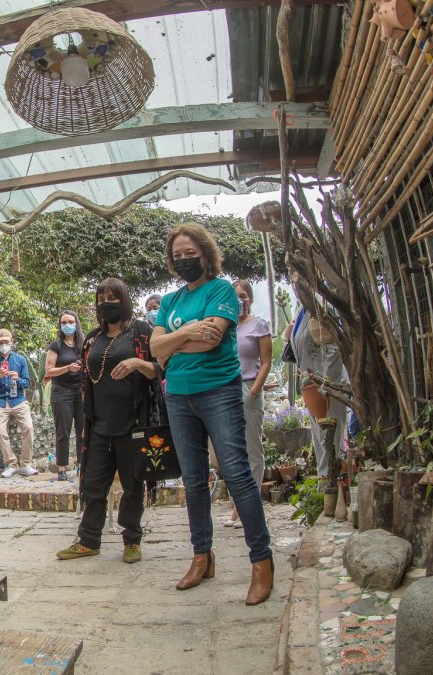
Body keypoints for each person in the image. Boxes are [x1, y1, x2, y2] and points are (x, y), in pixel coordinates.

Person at [150, 222, 273, 604]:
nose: (184, 260)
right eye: (178, 255)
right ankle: (202, 556)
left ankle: (262, 562)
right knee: (193, 479)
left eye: (191, 253)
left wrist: (174, 343)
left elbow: (212, 339)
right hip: (178, 397)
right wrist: (186, 333)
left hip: (218, 392)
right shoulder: (170, 301)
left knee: (237, 473)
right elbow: (155, 349)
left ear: (205, 253)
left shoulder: (221, 290)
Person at [57, 278, 158, 565]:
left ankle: (132, 540)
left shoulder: (141, 331)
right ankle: (89, 540)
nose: (106, 303)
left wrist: (139, 363)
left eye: (112, 297)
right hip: (99, 425)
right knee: (93, 485)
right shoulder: (91, 338)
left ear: (124, 300)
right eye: (101, 298)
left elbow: (161, 368)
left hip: (133, 425)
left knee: (133, 485)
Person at [223, 279, 272, 529]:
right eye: (235, 297)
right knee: (229, 452)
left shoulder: (258, 325)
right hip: (225, 391)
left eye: (243, 296)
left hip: (249, 387)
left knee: (252, 450)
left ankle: (248, 507)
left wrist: (254, 390)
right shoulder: (226, 326)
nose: (239, 300)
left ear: (249, 299)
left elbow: (265, 361)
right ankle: (237, 504)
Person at [285, 301, 348, 481]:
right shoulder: (301, 311)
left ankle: (334, 489)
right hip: (310, 385)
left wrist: (325, 384)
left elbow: (334, 347)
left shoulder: (322, 306)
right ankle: (325, 489)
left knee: (331, 440)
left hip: (326, 387)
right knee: (321, 441)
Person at [0, 328, 37, 478]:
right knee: (0, 432)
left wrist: (17, 379)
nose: (4, 345)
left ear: (12, 342)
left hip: (18, 400)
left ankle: (26, 464)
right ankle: (11, 464)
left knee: (28, 428)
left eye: (6, 342)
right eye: (0, 343)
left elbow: (27, 383)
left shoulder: (20, 360)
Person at [45, 310, 84, 482]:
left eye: (70, 322)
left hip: (81, 391)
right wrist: (68, 368)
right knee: (63, 431)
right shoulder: (56, 346)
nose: (67, 325)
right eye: (64, 323)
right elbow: (49, 371)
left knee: (83, 431)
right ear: (60, 326)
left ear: (76, 323)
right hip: (61, 391)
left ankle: (82, 466)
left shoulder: (83, 344)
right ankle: (62, 468)